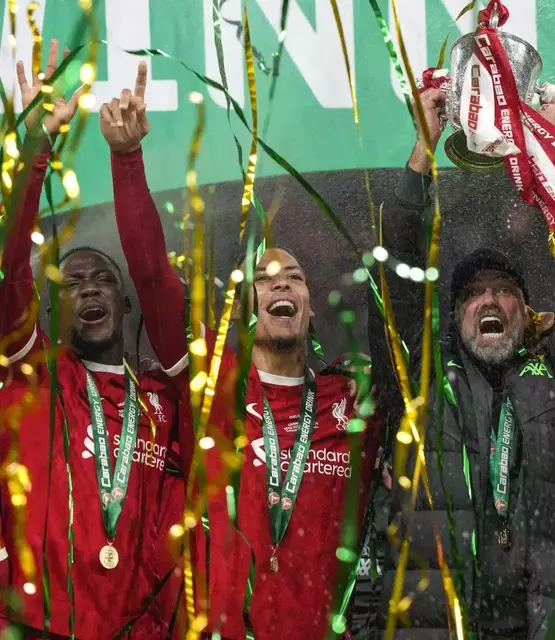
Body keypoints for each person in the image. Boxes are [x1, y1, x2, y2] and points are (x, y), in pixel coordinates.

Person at [103, 62, 383, 638]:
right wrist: (127, 160)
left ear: (310, 308)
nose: (282, 285)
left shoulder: (347, 401)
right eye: (266, 278)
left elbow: (411, 328)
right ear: (249, 306)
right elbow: (154, 278)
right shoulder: (212, 382)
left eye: (296, 278)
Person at [370, 83, 555, 638]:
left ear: (527, 312)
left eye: (503, 290)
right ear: (455, 318)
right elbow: (393, 287)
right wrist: (422, 153)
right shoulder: (422, 386)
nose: (489, 301)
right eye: (473, 294)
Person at [0, 42, 181, 638]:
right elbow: (9, 269)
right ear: (51, 309)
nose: (90, 288)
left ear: (127, 305)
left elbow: (155, 274)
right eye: (72, 282)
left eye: (104, 279)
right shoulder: (34, 377)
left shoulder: (168, 397)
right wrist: (33, 147)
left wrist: (127, 157)